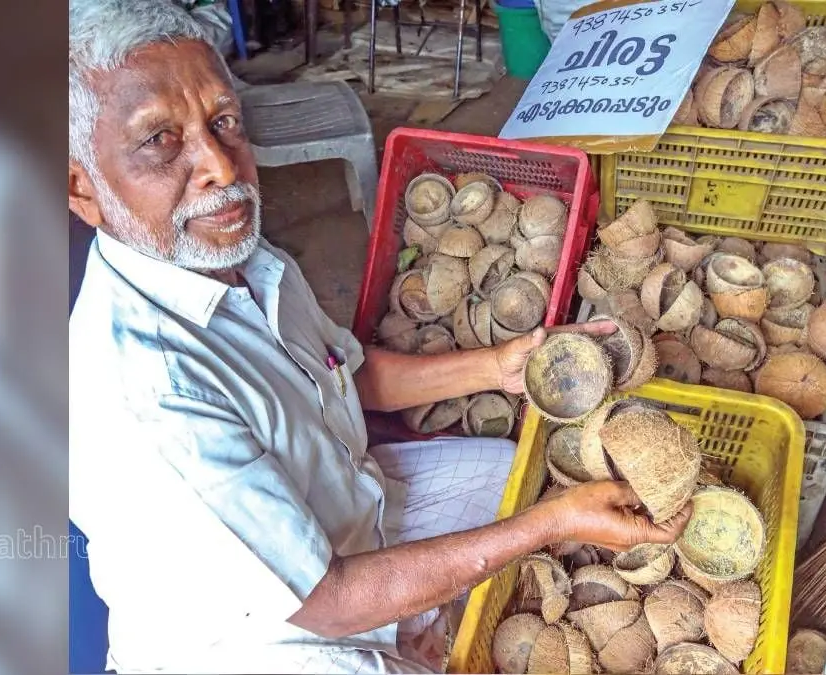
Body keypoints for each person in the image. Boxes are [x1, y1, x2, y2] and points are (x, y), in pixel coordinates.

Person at [68, 1, 692, 673]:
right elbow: (328, 598)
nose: (219, 165)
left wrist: (500, 365)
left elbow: (348, 372)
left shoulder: (239, 258)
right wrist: (551, 524)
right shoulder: (146, 389)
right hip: (267, 635)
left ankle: (425, 611)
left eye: (223, 121)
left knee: (525, 476)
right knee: (538, 517)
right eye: (159, 141)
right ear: (84, 189)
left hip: (351, 506)